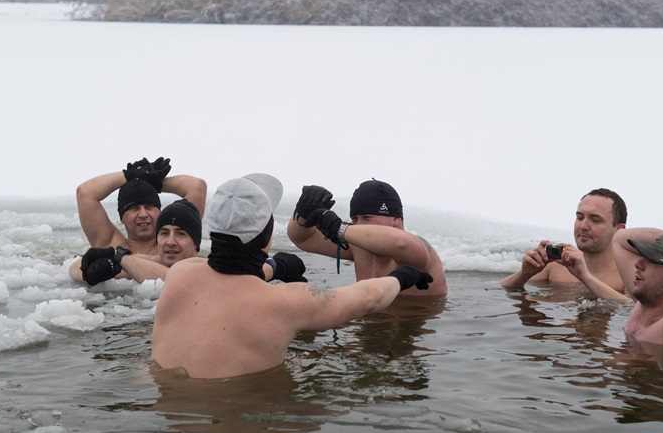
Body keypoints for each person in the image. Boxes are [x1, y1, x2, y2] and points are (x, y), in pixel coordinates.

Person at [152, 173, 434, 379]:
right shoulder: (290, 301)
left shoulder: (180, 272)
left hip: (166, 404)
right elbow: (370, 297)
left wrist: (274, 267)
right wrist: (402, 277)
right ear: (265, 235)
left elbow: (230, 279)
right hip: (238, 403)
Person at [70, 198, 306, 286]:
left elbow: (176, 280)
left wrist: (276, 266)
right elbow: (74, 269)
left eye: (181, 234)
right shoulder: (139, 263)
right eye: (164, 233)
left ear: (196, 244)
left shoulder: (210, 268)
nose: (170, 241)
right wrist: (101, 266)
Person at [285, 180, 447, 296]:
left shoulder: (419, 249)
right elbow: (303, 239)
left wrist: (339, 229)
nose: (359, 226)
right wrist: (303, 214)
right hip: (370, 325)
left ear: (396, 220)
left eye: (367, 218)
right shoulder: (360, 248)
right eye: (355, 219)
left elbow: (401, 243)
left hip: (414, 327)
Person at [500, 188, 628, 300]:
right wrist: (524, 274)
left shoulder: (631, 274)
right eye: (580, 217)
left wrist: (585, 277)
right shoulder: (555, 266)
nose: (583, 226)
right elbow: (495, 290)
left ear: (619, 230)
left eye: (595, 220)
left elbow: (635, 309)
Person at [75, 156, 207, 256]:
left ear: (159, 212)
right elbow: (85, 193)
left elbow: (197, 186)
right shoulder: (110, 245)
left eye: (149, 207)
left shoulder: (177, 243)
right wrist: (129, 175)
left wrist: (151, 180)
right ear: (122, 217)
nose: (143, 214)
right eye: (134, 208)